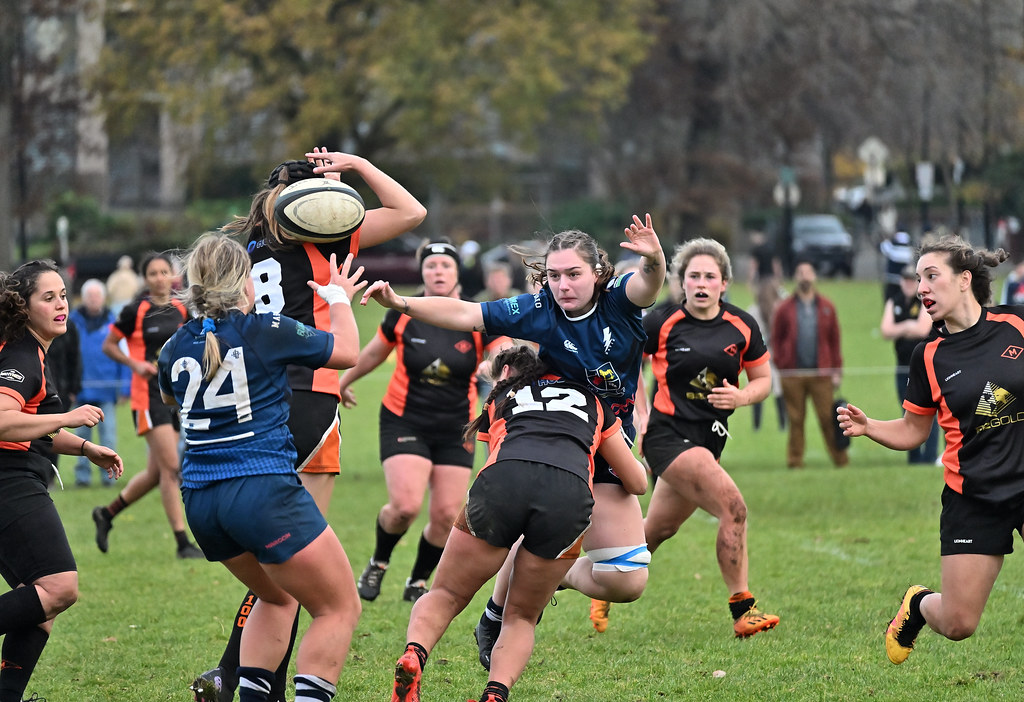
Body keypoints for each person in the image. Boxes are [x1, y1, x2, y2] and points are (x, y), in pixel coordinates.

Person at [360, 214, 665, 665]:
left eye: (574, 274)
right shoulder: (539, 309)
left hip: (613, 439)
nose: (563, 285)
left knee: (627, 581)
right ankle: (497, 611)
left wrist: (655, 257)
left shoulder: (618, 298)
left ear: (597, 273)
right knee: (536, 520)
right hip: (562, 438)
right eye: (555, 275)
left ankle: (552, 577)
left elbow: (649, 283)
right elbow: (466, 313)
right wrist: (403, 303)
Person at [194, 149, 426, 702]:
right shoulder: (325, 237)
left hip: (254, 397)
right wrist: (360, 167)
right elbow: (410, 212)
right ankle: (251, 681)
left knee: (273, 561)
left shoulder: (247, 244)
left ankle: (234, 673)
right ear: (318, 201)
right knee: (300, 562)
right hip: (312, 391)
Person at [158, 234, 364, 702]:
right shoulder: (266, 328)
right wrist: (338, 297)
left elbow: (172, 398)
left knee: (276, 597)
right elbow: (346, 353)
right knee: (338, 607)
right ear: (243, 281)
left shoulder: (172, 347)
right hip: (260, 491)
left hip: (201, 502)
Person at [390, 345, 647, 702]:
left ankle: (414, 653)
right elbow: (637, 483)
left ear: (508, 372)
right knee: (521, 618)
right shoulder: (594, 402)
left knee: (446, 593)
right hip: (569, 494)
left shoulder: (500, 398)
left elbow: (494, 454)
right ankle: (495, 694)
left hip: (502, 482)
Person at [836, 236, 1022, 666]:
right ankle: (919, 604)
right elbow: (913, 430)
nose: (921, 287)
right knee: (958, 623)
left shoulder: (1016, 324)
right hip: (973, 497)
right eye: (918, 278)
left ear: (964, 279)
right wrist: (869, 427)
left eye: (931, 276)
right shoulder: (929, 356)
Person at [341, 240, 509, 603]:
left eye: (445, 266)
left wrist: (493, 368)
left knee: (448, 512)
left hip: (458, 425)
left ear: (456, 272)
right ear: (422, 272)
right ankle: (378, 561)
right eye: (430, 266)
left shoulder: (478, 315)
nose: (437, 272)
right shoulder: (401, 310)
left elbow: (503, 351)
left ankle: (417, 581)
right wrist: (342, 382)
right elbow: (373, 352)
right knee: (404, 507)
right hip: (406, 419)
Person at [638, 238, 780, 638]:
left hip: (710, 439)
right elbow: (627, 363)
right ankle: (743, 608)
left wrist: (741, 396)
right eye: (693, 276)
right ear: (681, 282)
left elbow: (764, 381)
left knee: (653, 533)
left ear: (724, 282)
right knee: (733, 508)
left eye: (710, 277)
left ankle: (581, 578)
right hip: (667, 436)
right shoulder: (661, 322)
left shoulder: (741, 325)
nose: (701, 283)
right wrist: (641, 411)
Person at [0, 260, 123, 702]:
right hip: (8, 481)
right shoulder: (19, 355)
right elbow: (3, 420)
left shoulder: (30, 351)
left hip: (14, 477)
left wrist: (87, 448)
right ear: (23, 307)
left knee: (39, 599)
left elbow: (37, 425)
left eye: (63, 296)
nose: (60, 305)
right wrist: (68, 415)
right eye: (47, 298)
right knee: (59, 587)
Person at [92, 252, 203, 558]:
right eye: (152, 273)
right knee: (171, 468)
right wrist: (134, 364)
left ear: (173, 275)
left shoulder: (183, 308)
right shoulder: (135, 310)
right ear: (145, 279)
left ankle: (107, 514)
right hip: (147, 396)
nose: (158, 278)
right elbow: (109, 345)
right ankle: (182, 543)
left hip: (174, 397)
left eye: (163, 272)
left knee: (156, 474)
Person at [771, 259, 848, 468]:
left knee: (827, 418)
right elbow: (775, 338)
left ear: (814, 276)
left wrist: (836, 370)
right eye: (800, 272)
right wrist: (780, 363)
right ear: (795, 277)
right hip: (792, 373)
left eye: (808, 272)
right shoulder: (785, 308)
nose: (804, 276)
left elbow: (835, 340)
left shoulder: (826, 307)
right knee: (796, 420)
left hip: (821, 372)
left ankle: (840, 460)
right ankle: (795, 461)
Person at [70, 279, 131, 487]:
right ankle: (82, 478)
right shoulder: (72, 323)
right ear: (84, 298)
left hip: (107, 390)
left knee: (108, 437)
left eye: (97, 295)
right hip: (81, 391)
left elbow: (124, 357)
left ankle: (109, 478)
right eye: (90, 296)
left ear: (104, 298)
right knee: (80, 439)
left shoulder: (114, 323)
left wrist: (124, 387)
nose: (94, 299)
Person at [879, 264, 939, 464]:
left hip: (923, 365)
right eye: (904, 280)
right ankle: (913, 458)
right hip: (902, 365)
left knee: (927, 410)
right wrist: (907, 326)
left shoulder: (924, 301)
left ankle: (929, 457)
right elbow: (885, 330)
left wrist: (900, 326)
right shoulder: (894, 301)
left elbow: (922, 329)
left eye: (911, 280)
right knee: (906, 409)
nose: (907, 284)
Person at [880, 230, 915, 304]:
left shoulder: (891, 249)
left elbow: (883, 246)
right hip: (904, 282)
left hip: (891, 281)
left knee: (889, 303)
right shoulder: (909, 251)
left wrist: (885, 238)